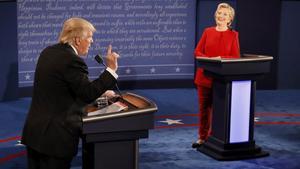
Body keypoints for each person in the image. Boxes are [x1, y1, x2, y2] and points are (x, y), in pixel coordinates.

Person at [21, 17, 120, 169]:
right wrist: (111, 70)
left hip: (35, 134)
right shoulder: (72, 60)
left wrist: (100, 94)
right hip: (56, 139)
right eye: (89, 37)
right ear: (77, 40)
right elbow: (87, 93)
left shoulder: (48, 52)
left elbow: (60, 90)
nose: (92, 41)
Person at [192, 3, 240, 148]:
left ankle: (216, 138)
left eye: (225, 14)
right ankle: (202, 137)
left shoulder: (233, 35)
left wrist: (220, 58)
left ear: (230, 18)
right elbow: (197, 52)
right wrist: (209, 60)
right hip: (204, 77)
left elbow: (235, 57)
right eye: (219, 13)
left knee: (220, 110)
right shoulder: (207, 31)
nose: (221, 16)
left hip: (222, 79)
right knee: (204, 109)